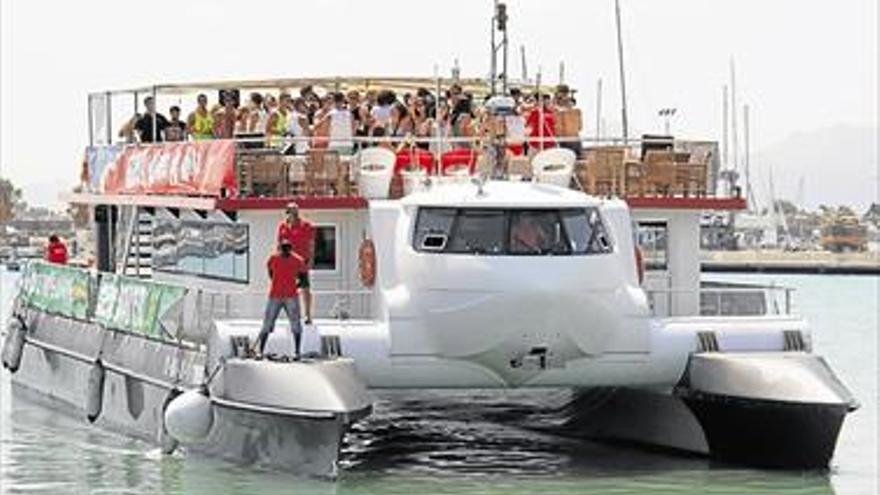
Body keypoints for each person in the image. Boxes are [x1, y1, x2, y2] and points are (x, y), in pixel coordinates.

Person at [256, 240, 307, 358]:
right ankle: (260, 351)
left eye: (287, 249)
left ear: (290, 249)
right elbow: (271, 273)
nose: (284, 251)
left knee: (296, 324)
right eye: (283, 249)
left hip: (291, 296)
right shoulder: (273, 259)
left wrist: (294, 286)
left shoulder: (297, 260)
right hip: (275, 296)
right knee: (267, 323)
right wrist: (279, 283)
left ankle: (297, 351)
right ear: (280, 248)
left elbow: (303, 278)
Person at [276, 202, 315, 323]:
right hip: (287, 262)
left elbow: (311, 244)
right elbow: (279, 245)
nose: (291, 215)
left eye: (293, 212)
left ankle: (308, 315)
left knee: (305, 289)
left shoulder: (306, 226)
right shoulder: (282, 227)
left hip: (302, 262)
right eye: (289, 212)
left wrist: (311, 261)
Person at [554, 84, 583, 157]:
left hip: (571, 140)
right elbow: (579, 127)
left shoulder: (576, 112)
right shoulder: (555, 111)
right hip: (564, 140)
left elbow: (579, 127)